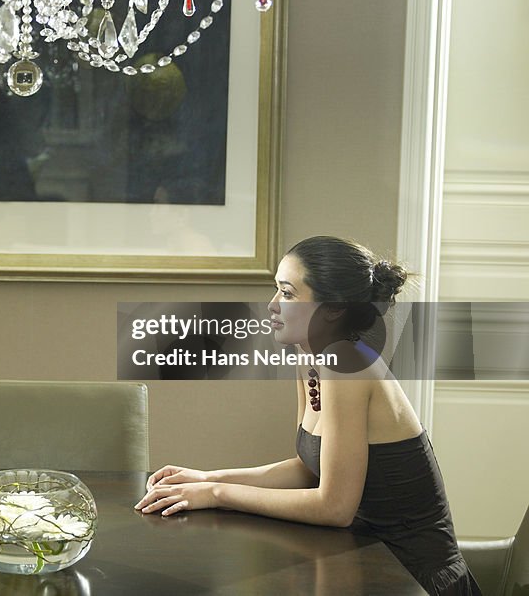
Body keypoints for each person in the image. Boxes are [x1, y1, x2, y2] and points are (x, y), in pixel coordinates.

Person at [136, 236, 481, 596]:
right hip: (363, 565)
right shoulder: (311, 358)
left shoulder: (349, 365)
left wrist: (217, 493)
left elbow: (334, 508)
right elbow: (306, 469)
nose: (272, 305)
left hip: (415, 578)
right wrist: (207, 476)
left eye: (287, 294)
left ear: (331, 308)